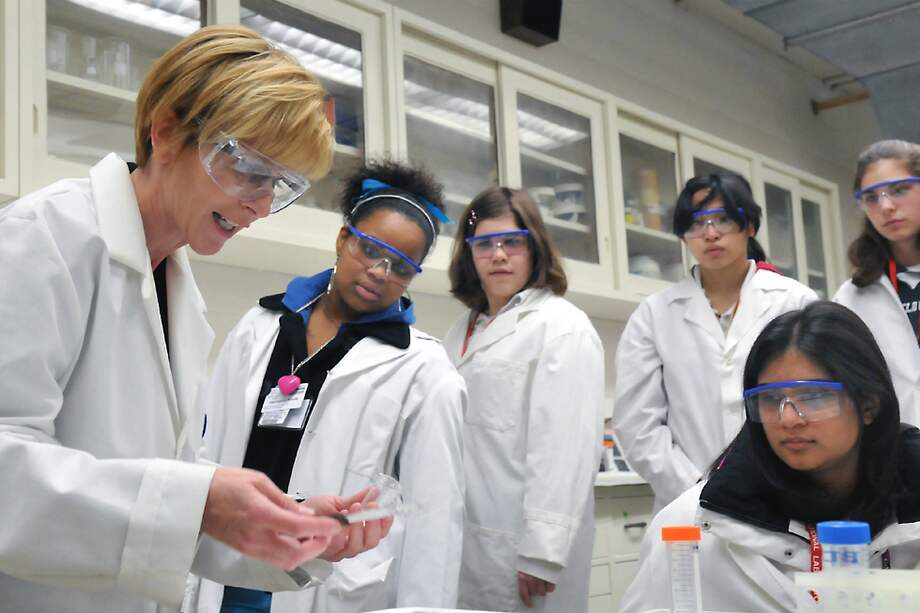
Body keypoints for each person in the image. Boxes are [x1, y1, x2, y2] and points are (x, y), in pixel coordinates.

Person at [0, 26, 387, 613]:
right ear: (166, 132)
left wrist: (291, 529)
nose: (260, 204)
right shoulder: (46, 239)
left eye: (281, 185)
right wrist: (197, 499)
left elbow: (163, 502)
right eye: (250, 169)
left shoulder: (176, 288)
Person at [189, 160, 466, 613]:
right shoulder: (259, 327)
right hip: (223, 565)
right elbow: (207, 449)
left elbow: (436, 517)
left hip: (332, 585)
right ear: (343, 239)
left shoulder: (426, 372)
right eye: (370, 249)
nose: (379, 271)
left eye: (401, 266)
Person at [620, 301, 920, 613]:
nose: (788, 419)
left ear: (869, 404)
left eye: (814, 396)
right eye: (771, 398)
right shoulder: (690, 522)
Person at [613, 171, 817, 511]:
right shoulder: (654, 315)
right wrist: (698, 489)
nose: (710, 234)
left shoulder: (795, 302)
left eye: (723, 220)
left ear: (749, 226)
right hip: (688, 502)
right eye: (696, 224)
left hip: (785, 493)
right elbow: (636, 423)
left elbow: (819, 401)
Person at [442, 187, 604, 612]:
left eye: (512, 242)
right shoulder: (460, 330)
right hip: (463, 538)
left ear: (535, 248)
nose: (498, 255)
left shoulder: (561, 326)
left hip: (523, 549)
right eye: (484, 244)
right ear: (469, 254)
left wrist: (542, 551)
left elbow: (564, 449)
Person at [834, 139, 920, 427]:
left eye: (899, 190)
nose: (885, 206)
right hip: (899, 456)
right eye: (871, 197)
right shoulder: (852, 297)